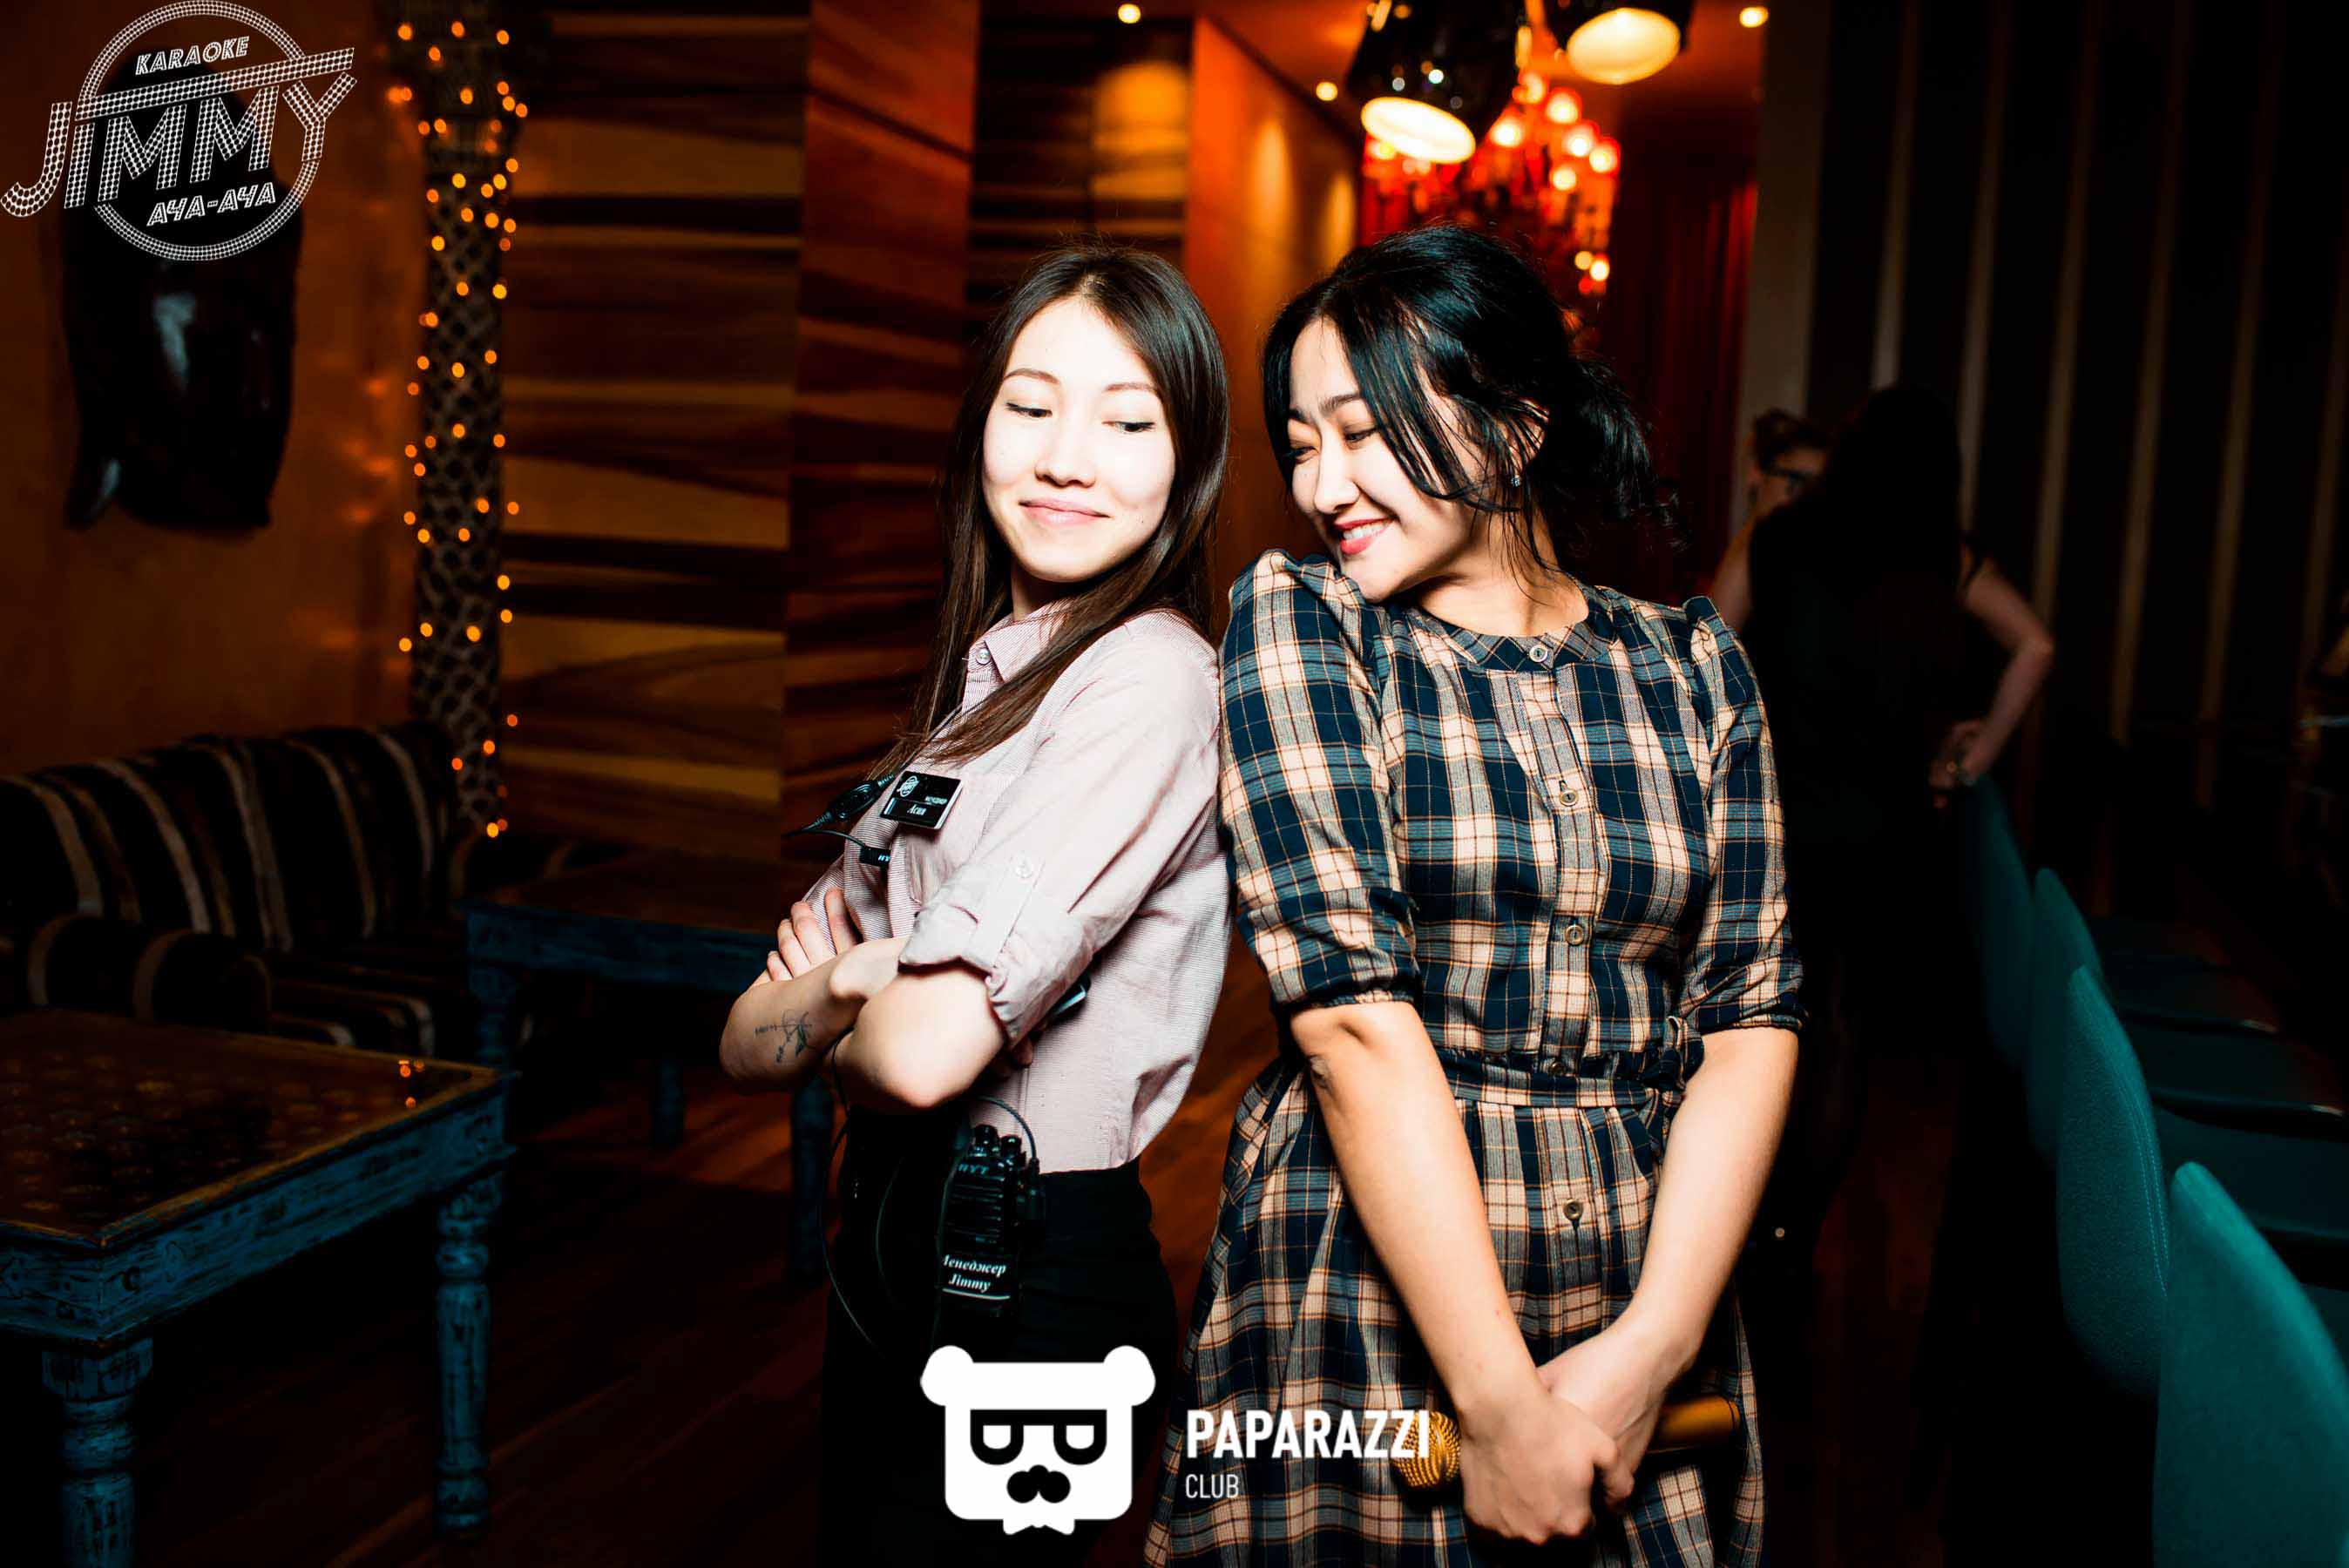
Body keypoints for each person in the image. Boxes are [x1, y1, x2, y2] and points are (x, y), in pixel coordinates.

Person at [1149, 224, 1803, 1565]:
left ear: (1513, 426)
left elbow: (1749, 1015)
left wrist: (1652, 1349)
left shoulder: (1694, 670)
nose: (1321, 482)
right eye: (1301, 442)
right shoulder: (1306, 624)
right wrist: (1500, 1406)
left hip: (1648, 1260)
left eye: (1360, 431)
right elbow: (1349, 1019)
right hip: (1371, 1282)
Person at [717, 242, 1234, 1565]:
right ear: (980, 427)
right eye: (1031, 404)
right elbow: (744, 1043)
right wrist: (857, 986)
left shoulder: (1149, 682)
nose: (1067, 458)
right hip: (893, 1239)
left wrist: (842, 990)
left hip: (1027, 1275)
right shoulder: (983, 691)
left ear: (1186, 463)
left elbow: (922, 1056)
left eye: (1128, 423)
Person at [1731, 386, 2055, 1316]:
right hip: (1884, 833)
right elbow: (2035, 645)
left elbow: (1703, 643)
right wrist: (1974, 754)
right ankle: (1790, 1240)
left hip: (1774, 822)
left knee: (1751, 1026)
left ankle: (1732, 1227)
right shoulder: (1945, 558)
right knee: (1840, 1032)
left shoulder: (1779, 537)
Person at [1706, 409, 1827, 629]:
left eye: (1819, 486)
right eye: (1797, 481)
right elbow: (1712, 641)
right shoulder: (1755, 546)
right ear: (1758, 474)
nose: (1807, 497)